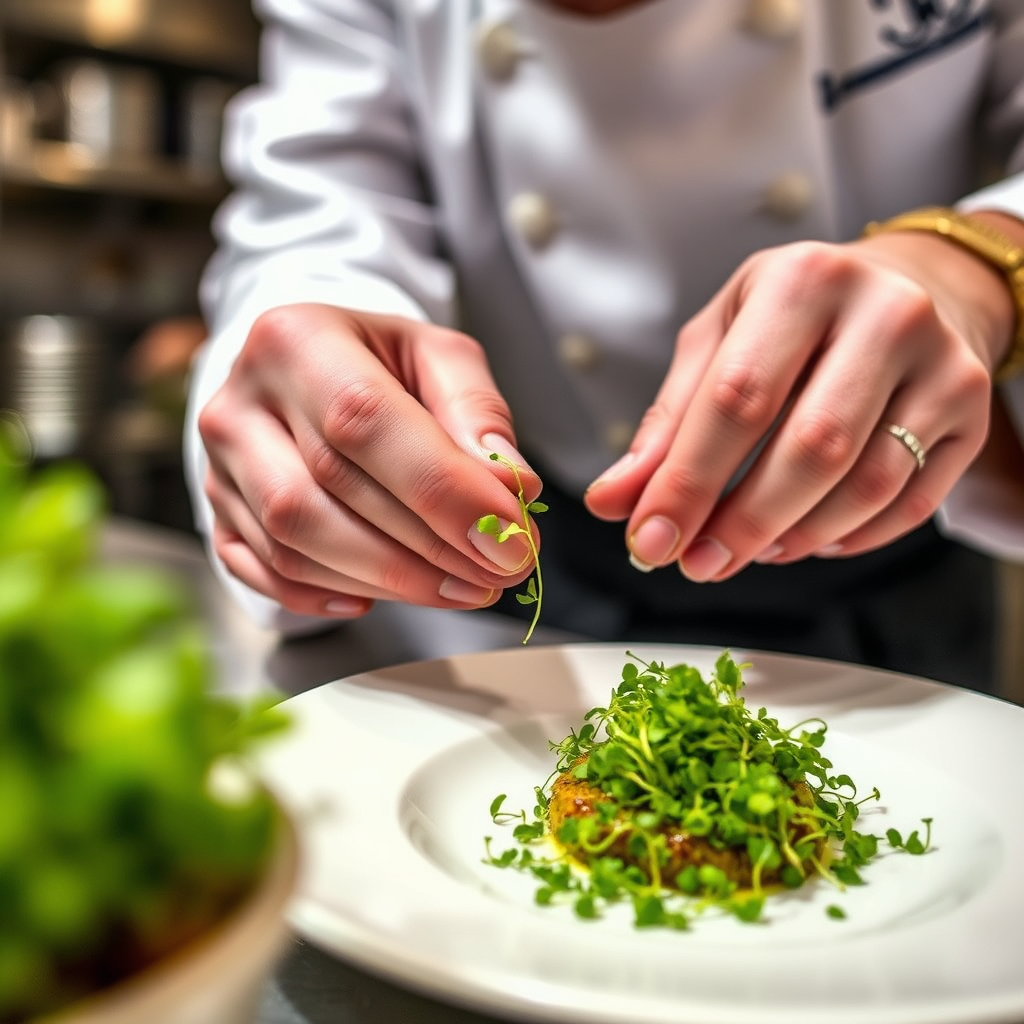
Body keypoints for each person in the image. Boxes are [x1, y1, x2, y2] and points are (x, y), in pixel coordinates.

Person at [184, 0, 1024, 691]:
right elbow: (320, 209)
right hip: (528, 592)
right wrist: (319, 385)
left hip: (889, 563)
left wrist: (979, 266)